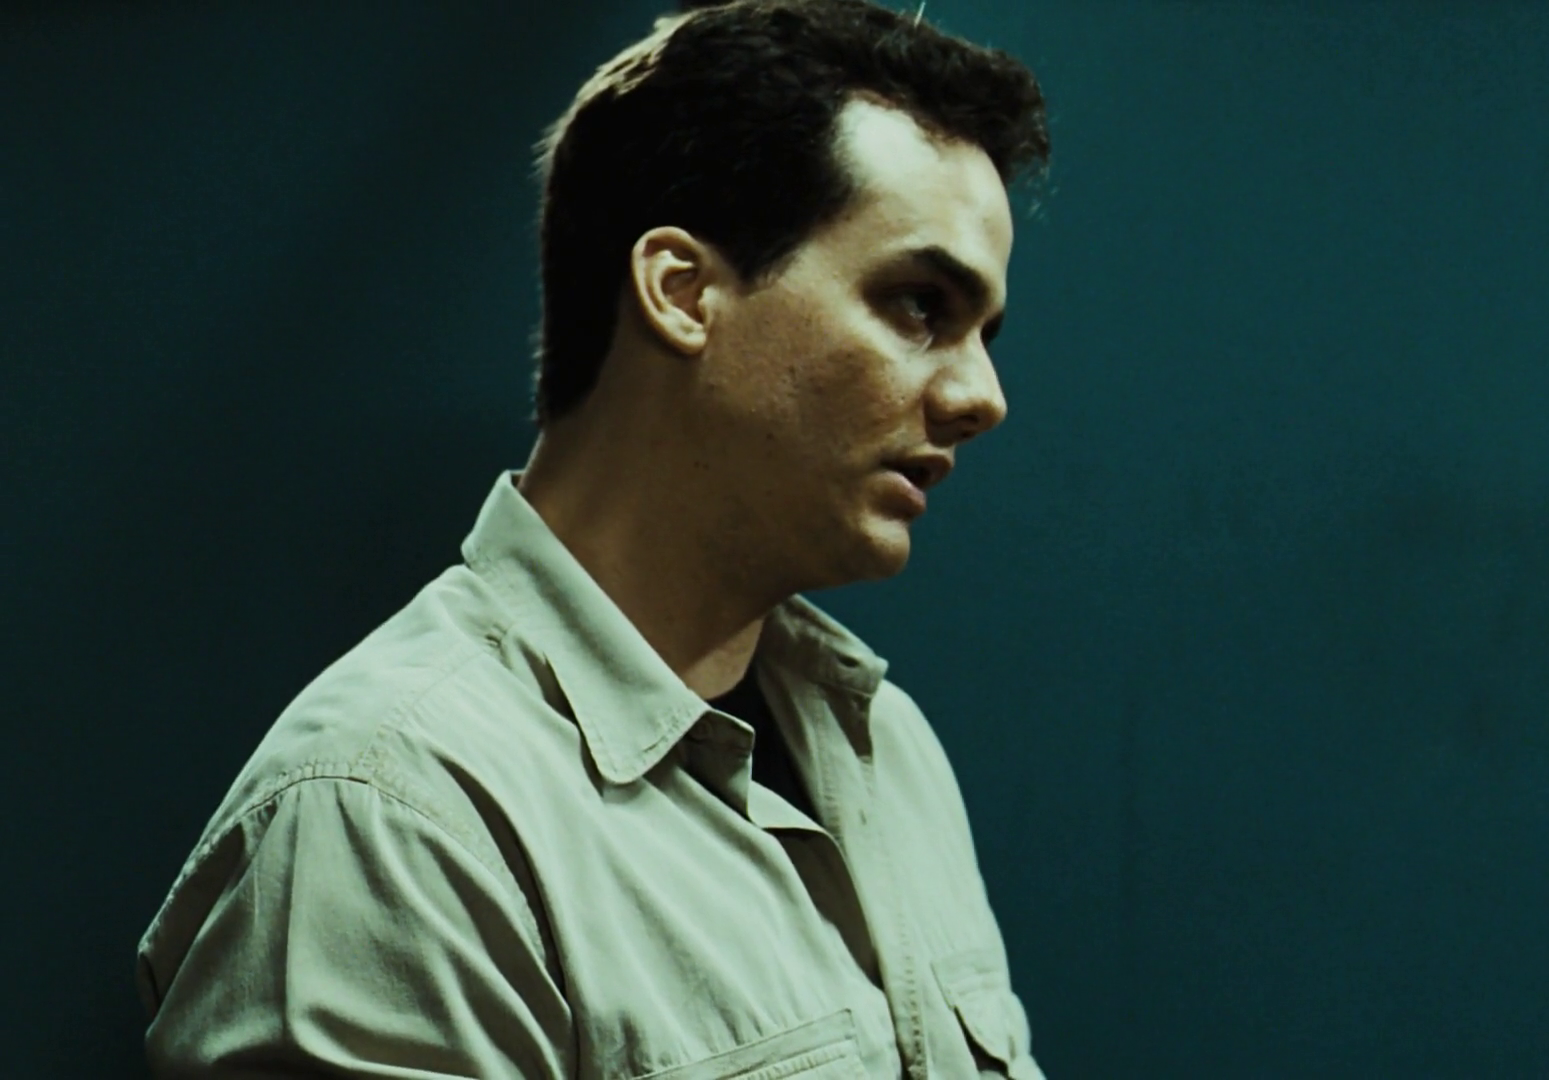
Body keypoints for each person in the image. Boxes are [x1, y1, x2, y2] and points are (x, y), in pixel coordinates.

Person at [134, 1, 1051, 1075]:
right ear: (683, 292)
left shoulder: (887, 750)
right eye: (920, 305)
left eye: (983, 332)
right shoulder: (390, 818)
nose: (981, 397)